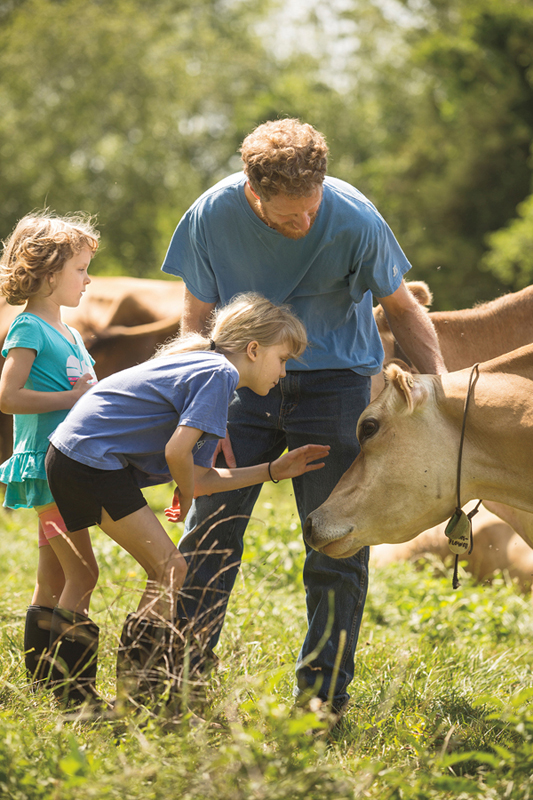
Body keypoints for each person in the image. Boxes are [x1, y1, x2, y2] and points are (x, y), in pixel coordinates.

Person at [161, 117, 447, 723]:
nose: (305, 223)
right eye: (289, 215)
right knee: (211, 534)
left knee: (335, 545)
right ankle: (181, 683)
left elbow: (403, 309)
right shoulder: (212, 216)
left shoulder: (353, 217)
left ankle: (321, 701)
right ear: (253, 190)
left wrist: (439, 393)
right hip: (237, 386)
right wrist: (195, 403)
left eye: (311, 207)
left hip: (335, 391)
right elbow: (196, 319)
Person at [45, 292, 330, 705]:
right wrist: (183, 489)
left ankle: (106, 696)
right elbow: (178, 455)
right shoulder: (219, 375)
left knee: (166, 570)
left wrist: (273, 470)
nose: (284, 373)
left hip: (75, 456)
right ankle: (130, 697)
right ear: (253, 349)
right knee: (170, 569)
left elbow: (200, 478)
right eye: (283, 359)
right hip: (89, 462)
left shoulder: (207, 368)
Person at [0, 211, 100, 704]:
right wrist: (70, 400)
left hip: (68, 465)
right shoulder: (28, 330)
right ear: (48, 273)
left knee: (54, 575)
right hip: (47, 468)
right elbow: (8, 397)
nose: (88, 279)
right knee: (85, 575)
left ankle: (41, 685)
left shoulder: (72, 334)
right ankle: (73, 693)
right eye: (80, 269)